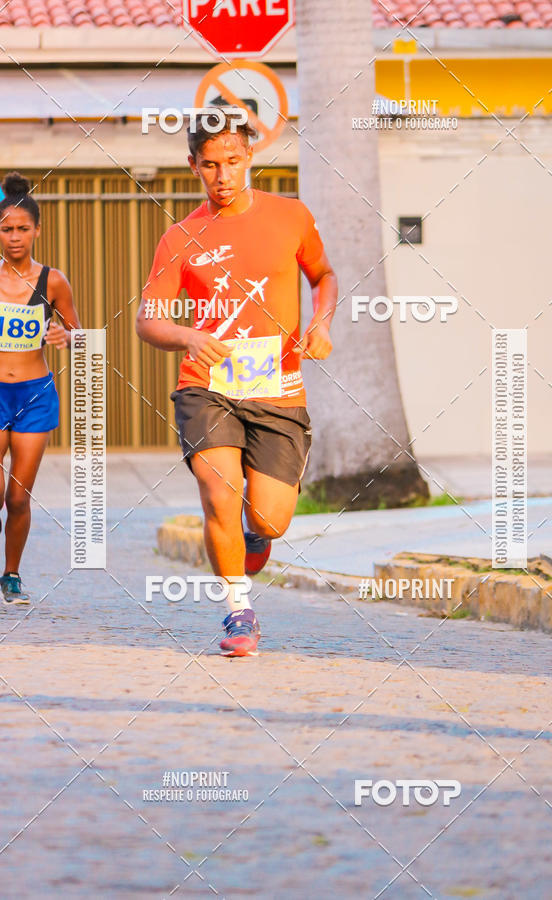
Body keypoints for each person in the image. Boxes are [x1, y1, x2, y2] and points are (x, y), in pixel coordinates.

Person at [136, 113, 337, 657]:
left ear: (250, 154)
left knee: (269, 517)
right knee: (218, 494)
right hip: (207, 387)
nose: (221, 175)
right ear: (193, 165)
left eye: (231, 161)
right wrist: (187, 336)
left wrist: (321, 322)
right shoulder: (180, 237)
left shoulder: (290, 215)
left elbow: (323, 276)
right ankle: (237, 613)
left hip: (277, 390)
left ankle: (255, 535)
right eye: (209, 165)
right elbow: (148, 319)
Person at [0, 172, 81, 604]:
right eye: (6, 229)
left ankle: (11, 574)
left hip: (33, 395)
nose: (15, 238)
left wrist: (65, 338)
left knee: (16, 497)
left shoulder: (53, 281)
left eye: (22, 229)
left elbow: (79, 333)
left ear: (37, 230)